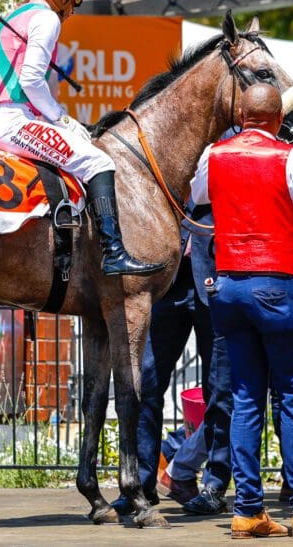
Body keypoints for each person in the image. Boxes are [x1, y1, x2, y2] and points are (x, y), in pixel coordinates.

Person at [198, 83, 293, 539]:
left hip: (229, 286)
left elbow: (198, 195)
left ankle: (247, 510)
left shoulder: (213, 155)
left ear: (242, 116)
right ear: (279, 119)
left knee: (244, 399)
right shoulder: (292, 159)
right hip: (276, 288)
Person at [0, 0, 162, 277]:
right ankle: (113, 252)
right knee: (99, 162)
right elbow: (31, 79)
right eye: (76, 0)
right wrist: (59, 117)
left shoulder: (18, 13)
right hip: (10, 121)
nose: (74, 10)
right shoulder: (47, 19)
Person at [110, 198, 233, 517]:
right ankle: (141, 486)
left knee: (219, 392)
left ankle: (215, 485)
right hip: (168, 284)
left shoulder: (225, 151)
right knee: (146, 383)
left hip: (216, 282)